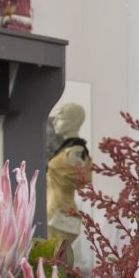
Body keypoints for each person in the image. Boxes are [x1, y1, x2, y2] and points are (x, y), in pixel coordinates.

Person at [46, 103, 90, 244]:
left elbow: (81, 178)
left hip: (62, 213)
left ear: (73, 121)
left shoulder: (76, 150)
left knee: (56, 257)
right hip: (52, 208)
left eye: (60, 117)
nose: (54, 121)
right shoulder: (64, 148)